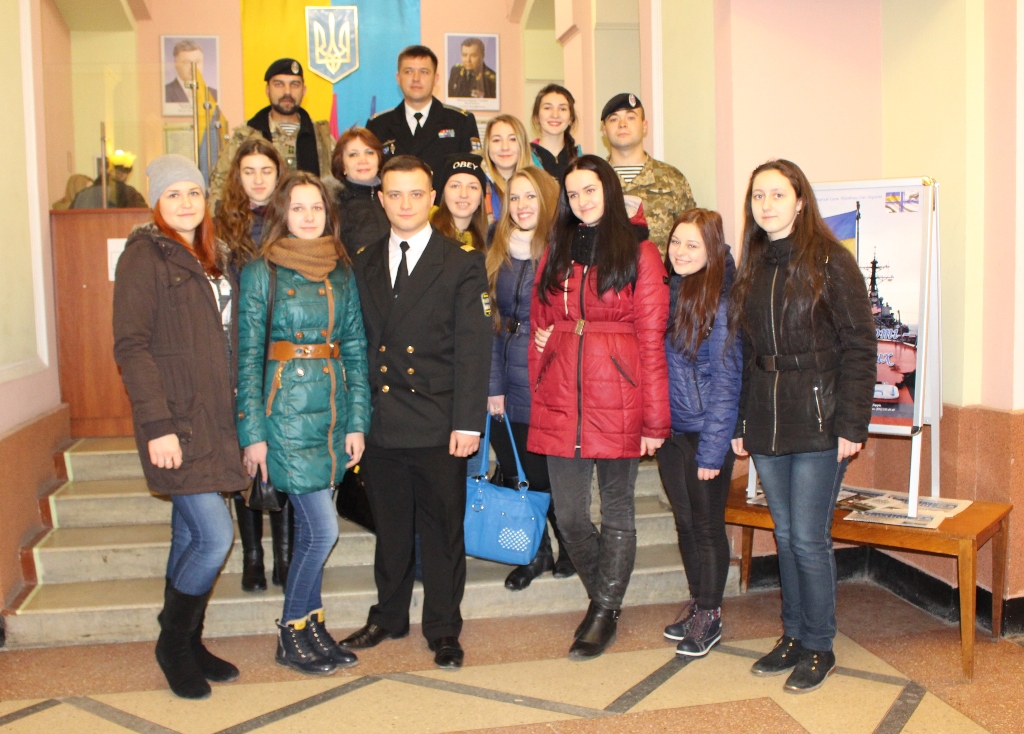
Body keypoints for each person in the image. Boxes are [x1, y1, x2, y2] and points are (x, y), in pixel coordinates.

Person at [730, 159, 875, 693]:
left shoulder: (832, 261)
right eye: (758, 196)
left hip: (820, 418)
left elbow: (860, 345)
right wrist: (742, 419)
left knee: (809, 539)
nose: (766, 204)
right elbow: (747, 354)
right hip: (768, 417)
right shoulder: (753, 265)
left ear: (799, 202)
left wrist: (851, 424)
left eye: (777, 194)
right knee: (786, 535)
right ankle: (792, 635)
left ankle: (819, 644)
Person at [341, 155, 492, 671]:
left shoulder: (461, 262)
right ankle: (389, 615)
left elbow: (474, 347)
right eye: (394, 194)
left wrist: (468, 422)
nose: (405, 203)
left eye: (415, 193)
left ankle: (444, 627)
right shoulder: (363, 260)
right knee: (390, 528)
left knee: (442, 531)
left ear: (431, 198)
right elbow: (358, 345)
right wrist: (355, 419)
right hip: (382, 420)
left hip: (438, 421)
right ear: (380, 199)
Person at [112, 154, 247, 699]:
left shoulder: (216, 257)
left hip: (217, 419)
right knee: (215, 536)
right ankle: (172, 643)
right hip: (176, 422)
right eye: (173, 194)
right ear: (156, 203)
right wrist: (157, 425)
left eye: (193, 192)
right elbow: (131, 346)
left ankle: (189, 641)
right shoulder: (144, 257)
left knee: (189, 534)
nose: (186, 203)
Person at [528, 155, 670, 660]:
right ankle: (604, 598)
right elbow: (539, 321)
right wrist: (543, 365)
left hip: (620, 397)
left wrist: (655, 420)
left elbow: (651, 341)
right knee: (569, 516)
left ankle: (604, 612)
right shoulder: (556, 249)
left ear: (608, 190)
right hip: (561, 395)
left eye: (590, 190)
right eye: (573, 194)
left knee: (617, 510)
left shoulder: (640, 251)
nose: (582, 201)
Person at [236, 171, 371, 676]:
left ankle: (313, 626)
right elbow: (247, 358)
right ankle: (291, 631)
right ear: (282, 214)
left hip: (332, 414)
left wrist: (357, 422)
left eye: (317, 208)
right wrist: (252, 434)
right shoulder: (261, 272)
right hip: (285, 416)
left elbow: (355, 348)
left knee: (315, 530)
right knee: (322, 531)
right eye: (298, 208)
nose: (309, 216)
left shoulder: (342, 271)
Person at [656, 209, 741, 659]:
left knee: (708, 527)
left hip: (707, 431)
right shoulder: (669, 293)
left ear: (712, 251)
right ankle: (698, 602)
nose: (681, 252)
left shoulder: (721, 304)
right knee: (685, 522)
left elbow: (727, 382)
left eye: (692, 245)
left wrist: (712, 450)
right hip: (672, 431)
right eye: (676, 243)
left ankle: (711, 613)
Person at [486, 166, 575, 590]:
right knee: (513, 468)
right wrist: (492, 386)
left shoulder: (563, 251)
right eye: (514, 197)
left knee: (542, 473)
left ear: (547, 201)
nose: (521, 206)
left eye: (529, 196)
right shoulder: (496, 246)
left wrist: (558, 331)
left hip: (547, 374)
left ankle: (569, 543)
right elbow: (487, 318)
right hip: (502, 367)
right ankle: (536, 553)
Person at [212, 137, 292, 594]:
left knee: (280, 451)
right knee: (247, 452)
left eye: (266, 171)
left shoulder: (291, 218)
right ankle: (253, 557)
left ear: (279, 175)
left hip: (283, 349)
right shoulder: (221, 226)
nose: (259, 180)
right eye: (249, 172)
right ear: (237, 177)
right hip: (240, 350)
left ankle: (284, 555)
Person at [209, 59, 334, 209]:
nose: (287, 92)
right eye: (279, 84)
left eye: (294, 84)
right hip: (258, 221)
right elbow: (219, 187)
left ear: (304, 90)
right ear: (267, 90)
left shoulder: (321, 137)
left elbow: (337, 187)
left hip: (309, 220)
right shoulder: (246, 136)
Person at [367, 45, 481, 195]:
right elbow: (371, 178)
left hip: (442, 208)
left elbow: (471, 177)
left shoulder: (460, 122)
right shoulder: (378, 125)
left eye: (424, 72)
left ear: (436, 78)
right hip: (395, 208)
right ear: (398, 78)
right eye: (408, 71)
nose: (416, 78)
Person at [601, 93, 695, 252]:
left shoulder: (672, 179)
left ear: (644, 126)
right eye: (614, 119)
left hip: (660, 268)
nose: (622, 124)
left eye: (631, 117)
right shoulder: (593, 180)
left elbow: (693, 234)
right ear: (604, 129)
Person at [329, 127, 391, 258]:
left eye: (369, 152)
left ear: (379, 159)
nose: (363, 160)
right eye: (353, 154)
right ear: (342, 164)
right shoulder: (332, 205)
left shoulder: (395, 197)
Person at [430, 153, 488, 251]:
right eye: (455, 186)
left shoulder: (491, 243)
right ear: (443, 193)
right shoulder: (424, 234)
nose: (463, 194)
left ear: (481, 197)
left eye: (473, 187)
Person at [481, 114, 530, 222]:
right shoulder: (476, 184)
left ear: (523, 144)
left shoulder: (538, 184)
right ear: (487, 146)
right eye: (496, 140)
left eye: (512, 139)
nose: (505, 147)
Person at [530, 85, 582, 181]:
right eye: (547, 108)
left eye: (562, 109)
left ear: (571, 118)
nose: (555, 115)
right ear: (536, 116)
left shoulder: (581, 160)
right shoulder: (525, 158)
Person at [71, 151, 148, 209]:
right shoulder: (130, 194)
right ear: (125, 175)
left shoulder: (82, 195)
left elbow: (69, 219)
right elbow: (142, 216)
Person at [165, 39, 217, 104]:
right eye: (187, 62)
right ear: (176, 65)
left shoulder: (214, 94)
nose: (193, 67)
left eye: (197, 62)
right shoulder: (165, 93)